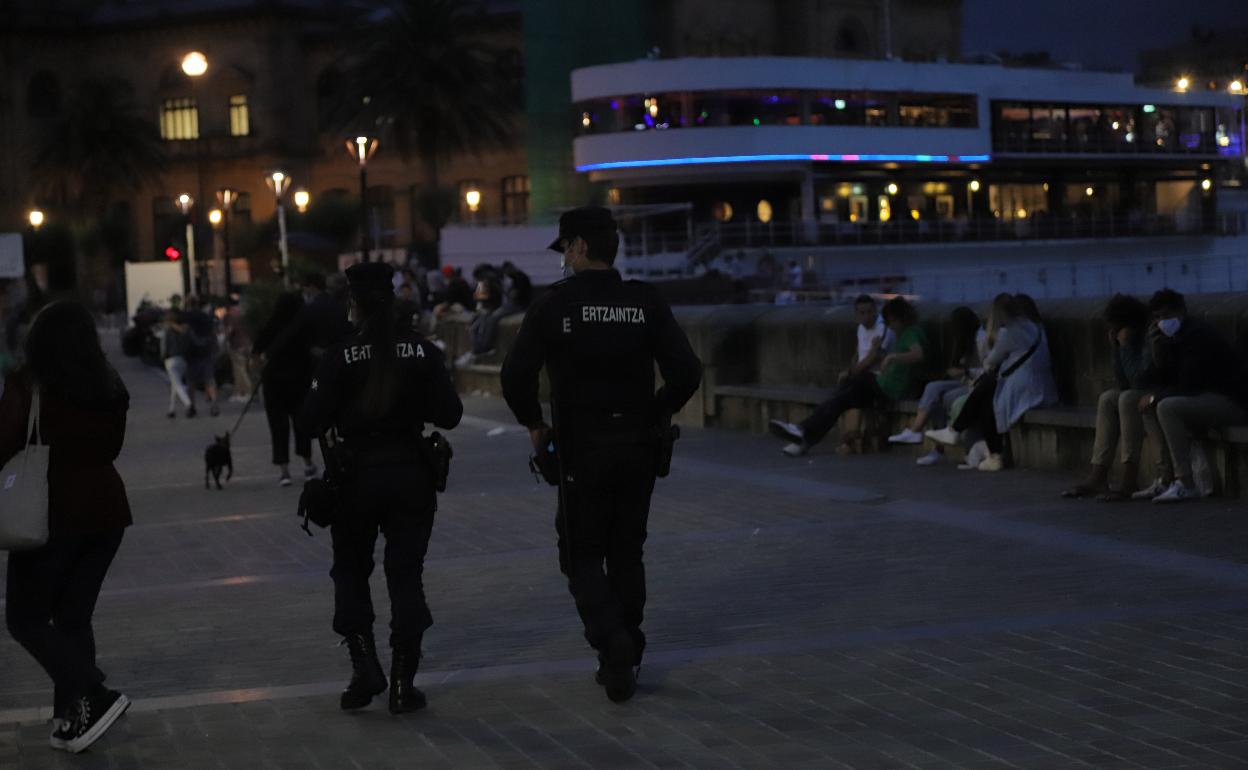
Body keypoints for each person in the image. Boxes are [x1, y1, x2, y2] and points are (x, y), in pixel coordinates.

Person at [500, 206, 702, 703]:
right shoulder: (645, 302)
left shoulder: (555, 306)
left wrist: (534, 425)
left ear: (581, 248)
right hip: (637, 446)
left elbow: (514, 375)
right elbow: (687, 373)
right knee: (627, 551)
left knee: (581, 553)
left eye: (565, 247)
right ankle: (625, 649)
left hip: (581, 449)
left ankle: (613, 643)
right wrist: (655, 412)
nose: (564, 258)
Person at [299, 261, 463, 714]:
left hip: (355, 478)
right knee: (405, 574)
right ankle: (402, 684)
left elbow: (310, 419)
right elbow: (450, 413)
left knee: (351, 570)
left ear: (354, 303)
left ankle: (365, 666)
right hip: (411, 473)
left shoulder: (340, 354)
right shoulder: (421, 351)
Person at [0, 301, 132, 753]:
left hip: (50, 514)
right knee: (74, 618)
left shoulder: (29, 384)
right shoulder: (109, 382)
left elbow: (4, 441)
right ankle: (70, 720)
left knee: (25, 617)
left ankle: (92, 693)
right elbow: (113, 446)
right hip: (107, 512)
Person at [769, 296, 928, 458]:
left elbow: (918, 354)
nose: (891, 327)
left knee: (842, 394)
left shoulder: (910, 333)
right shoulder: (909, 332)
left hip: (885, 388)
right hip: (880, 384)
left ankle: (803, 434)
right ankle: (803, 437)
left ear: (900, 319)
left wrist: (893, 357)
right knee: (840, 399)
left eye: (892, 322)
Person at [1137, 289, 1248, 502]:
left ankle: (1185, 482)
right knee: (1150, 405)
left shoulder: (1197, 335)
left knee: (1166, 406)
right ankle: (1165, 478)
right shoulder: (1168, 339)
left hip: (1230, 400)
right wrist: (1156, 352)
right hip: (1205, 397)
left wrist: (1155, 396)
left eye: (1166, 316)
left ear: (1181, 312)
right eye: (1158, 317)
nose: (1162, 322)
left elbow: (1189, 384)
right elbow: (1146, 381)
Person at [928, 293, 1058, 471]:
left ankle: (976, 443)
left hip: (1022, 387)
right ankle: (971, 440)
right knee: (988, 393)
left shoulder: (1009, 332)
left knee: (987, 393)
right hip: (1041, 385)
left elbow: (990, 362)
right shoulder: (1036, 328)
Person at [1061, 294, 1162, 500]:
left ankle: (1129, 477)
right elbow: (1123, 382)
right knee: (1108, 398)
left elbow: (1139, 381)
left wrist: (1124, 348)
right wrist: (1117, 349)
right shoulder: (1129, 340)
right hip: (1140, 390)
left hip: (1156, 391)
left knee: (1126, 399)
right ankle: (1098, 474)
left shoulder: (1148, 339)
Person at [889, 306, 986, 466]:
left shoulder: (980, 339)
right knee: (932, 388)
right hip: (966, 381)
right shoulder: (963, 342)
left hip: (977, 384)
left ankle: (939, 448)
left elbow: (988, 370)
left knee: (945, 398)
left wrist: (965, 371)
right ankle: (915, 432)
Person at [253, 292, 317, 487]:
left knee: (278, 425)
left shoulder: (269, 326)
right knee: (301, 424)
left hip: (273, 383)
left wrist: (261, 374)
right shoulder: (303, 328)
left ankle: (284, 471)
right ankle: (307, 465)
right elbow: (312, 353)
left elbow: (255, 354)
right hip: (299, 382)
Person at [181, 295, 220, 417]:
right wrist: (215, 348)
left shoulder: (185, 317)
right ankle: (214, 405)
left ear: (188, 304)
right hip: (206, 352)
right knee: (209, 379)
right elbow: (213, 332)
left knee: (191, 382)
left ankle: (192, 407)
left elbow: (183, 332)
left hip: (191, 354)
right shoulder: (206, 317)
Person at [161, 310, 195, 418]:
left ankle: (189, 404)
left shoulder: (167, 331)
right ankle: (171, 410)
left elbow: (164, 346)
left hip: (171, 360)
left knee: (178, 385)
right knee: (175, 384)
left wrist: (163, 357)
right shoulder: (184, 330)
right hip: (182, 359)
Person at [222, 298, 255, 403]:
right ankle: (239, 392)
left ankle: (247, 392)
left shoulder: (229, 315)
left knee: (239, 370)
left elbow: (229, 330)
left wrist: (225, 340)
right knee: (246, 369)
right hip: (248, 343)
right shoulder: (243, 313)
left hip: (237, 345)